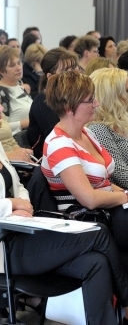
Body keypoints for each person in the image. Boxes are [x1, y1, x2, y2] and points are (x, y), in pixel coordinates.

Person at [0, 73, 128, 325]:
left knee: (96, 262)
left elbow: (18, 185)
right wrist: (10, 205)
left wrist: (24, 204)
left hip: (15, 233)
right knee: (98, 234)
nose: (0, 109)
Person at [42, 70, 128, 252]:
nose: (96, 103)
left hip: (108, 211)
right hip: (85, 218)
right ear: (69, 107)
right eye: (90, 100)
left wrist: (122, 193)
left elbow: (105, 182)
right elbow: (89, 199)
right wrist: (125, 196)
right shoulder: (58, 143)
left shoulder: (86, 133)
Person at [25, 48, 80, 156]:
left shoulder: (76, 95)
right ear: (50, 77)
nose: (73, 74)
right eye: (65, 70)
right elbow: (58, 138)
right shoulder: (43, 101)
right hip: (51, 156)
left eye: (74, 68)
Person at [89, 68, 128, 189]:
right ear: (112, 96)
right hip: (120, 194)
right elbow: (122, 175)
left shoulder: (123, 121)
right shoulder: (98, 130)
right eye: (127, 90)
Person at [0, 46, 31, 133]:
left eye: (19, 63)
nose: (18, 68)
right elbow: (0, 126)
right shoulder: (0, 92)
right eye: (12, 65)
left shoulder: (20, 87)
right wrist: (26, 122)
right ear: (1, 70)